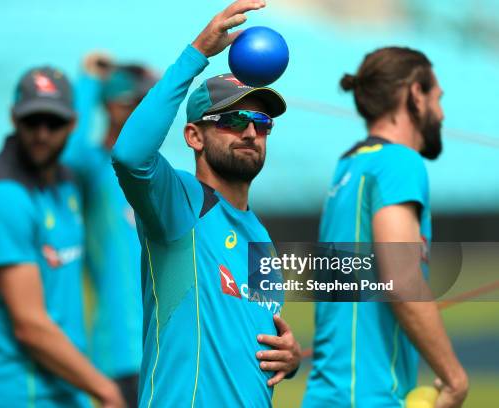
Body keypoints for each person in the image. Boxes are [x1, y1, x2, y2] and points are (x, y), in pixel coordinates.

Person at [111, 1, 301, 406]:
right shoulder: (181, 203)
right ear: (195, 136)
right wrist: (197, 52)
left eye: (261, 123)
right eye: (233, 121)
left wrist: (290, 357)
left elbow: (254, 339)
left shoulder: (260, 235)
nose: (251, 132)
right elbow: (129, 154)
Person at [302, 47, 468, 407]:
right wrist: (455, 380)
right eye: (437, 98)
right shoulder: (398, 162)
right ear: (414, 94)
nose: (440, 113)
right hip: (367, 397)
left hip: (332, 394)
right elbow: (402, 277)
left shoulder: (348, 166)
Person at [0, 66, 124, 408]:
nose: (42, 133)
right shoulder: (5, 197)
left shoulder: (66, 182)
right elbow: (30, 325)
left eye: (54, 122)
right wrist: (106, 390)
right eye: (32, 121)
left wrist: (94, 79)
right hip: (13, 393)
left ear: (73, 123)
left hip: (66, 387)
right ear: (13, 117)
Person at [62, 55, 157, 407]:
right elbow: (66, 151)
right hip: (120, 351)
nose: (146, 113)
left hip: (164, 346)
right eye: (137, 103)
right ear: (113, 107)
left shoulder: (156, 175)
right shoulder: (93, 167)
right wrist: (88, 82)